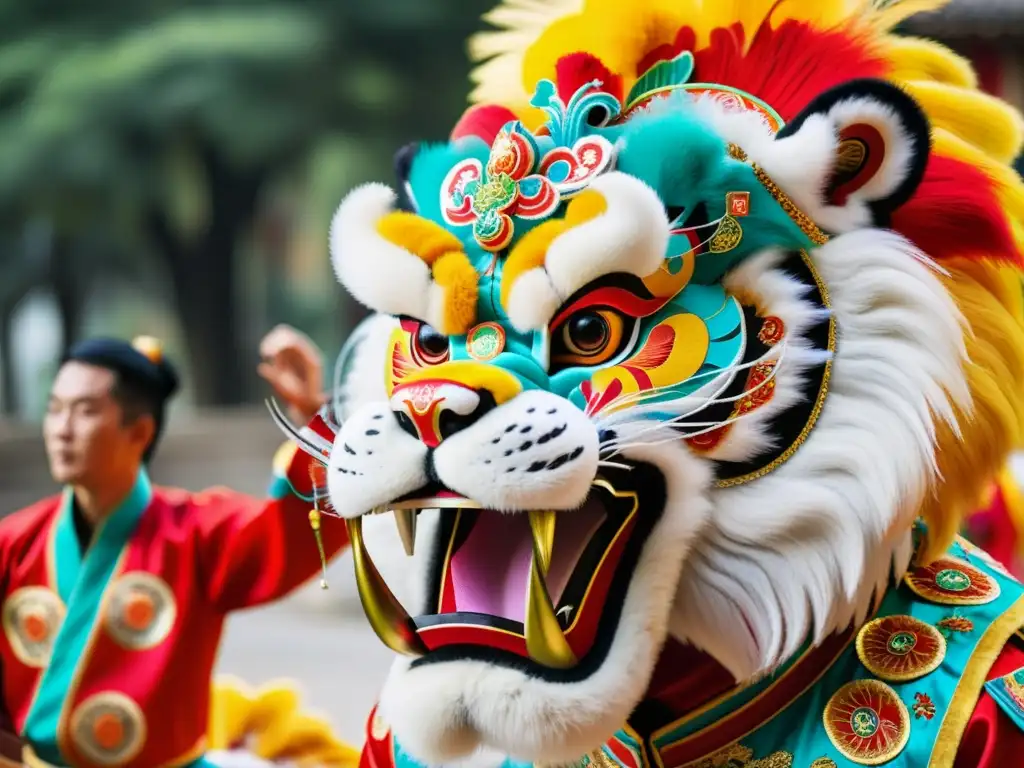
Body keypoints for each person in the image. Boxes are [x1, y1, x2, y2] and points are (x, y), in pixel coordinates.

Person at [0, 327, 350, 767]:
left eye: (84, 411)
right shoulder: (13, 542)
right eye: (54, 410)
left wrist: (315, 421)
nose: (61, 429)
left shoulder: (195, 534)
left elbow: (291, 530)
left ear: (140, 432)